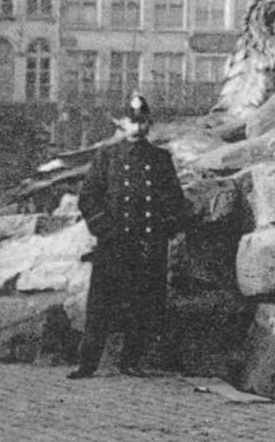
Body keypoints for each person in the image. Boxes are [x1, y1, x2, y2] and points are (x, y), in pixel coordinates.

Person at [68, 93, 187, 379]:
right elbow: (89, 198)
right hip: (113, 244)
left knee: (143, 305)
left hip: (147, 244)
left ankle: (131, 361)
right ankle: (88, 363)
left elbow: (175, 201)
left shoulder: (160, 158)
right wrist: (104, 230)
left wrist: (164, 229)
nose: (138, 126)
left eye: (143, 121)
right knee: (100, 306)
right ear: (121, 122)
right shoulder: (107, 156)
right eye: (133, 121)